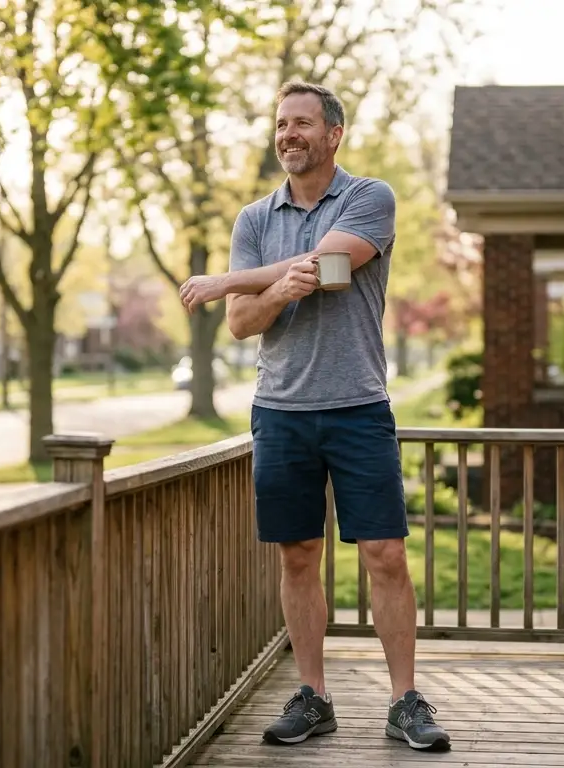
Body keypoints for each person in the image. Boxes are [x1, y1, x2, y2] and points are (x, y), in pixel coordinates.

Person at [176, 80, 451, 753]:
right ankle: (314, 697)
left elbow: (332, 266)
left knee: (385, 554)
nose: (289, 135)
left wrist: (226, 280)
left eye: (303, 123)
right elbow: (242, 325)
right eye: (281, 124)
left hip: (357, 405)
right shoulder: (254, 218)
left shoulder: (369, 197)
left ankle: (405, 701)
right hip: (281, 412)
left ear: (334, 134)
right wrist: (271, 289)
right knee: (298, 556)